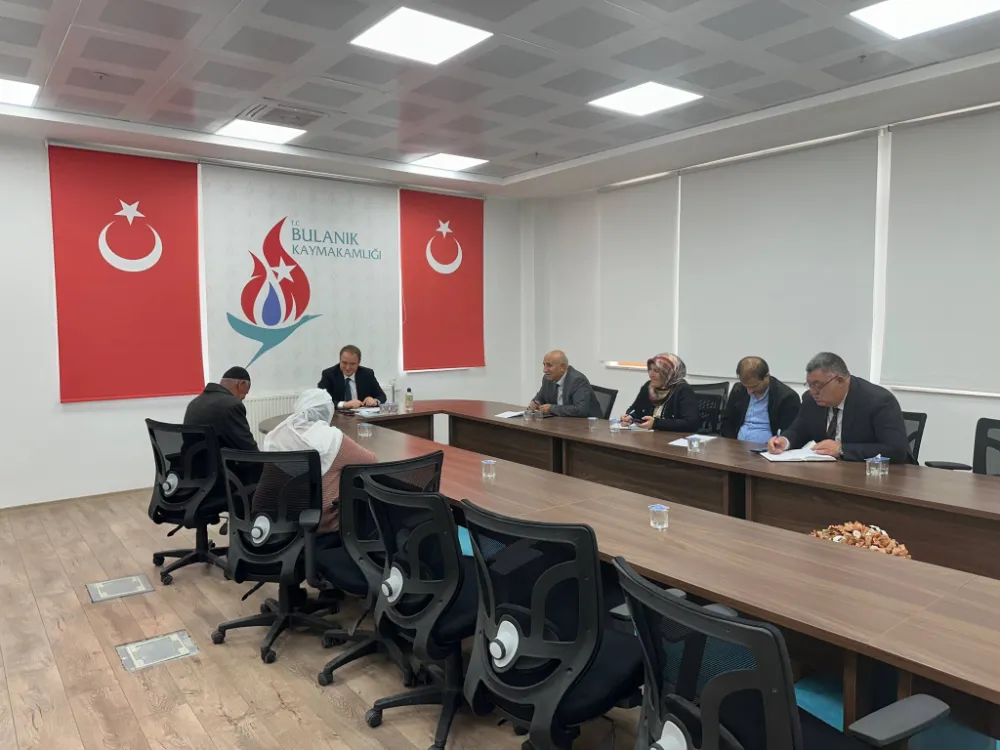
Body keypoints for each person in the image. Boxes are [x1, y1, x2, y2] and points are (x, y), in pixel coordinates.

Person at [262, 389, 376, 539]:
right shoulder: (331, 438)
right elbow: (371, 461)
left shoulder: (276, 433)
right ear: (328, 411)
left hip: (274, 519)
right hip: (320, 522)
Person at [767, 352, 909, 463]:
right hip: (831, 474)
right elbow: (798, 430)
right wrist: (784, 441)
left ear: (840, 381)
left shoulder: (878, 401)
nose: (813, 392)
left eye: (818, 386)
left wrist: (841, 449)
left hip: (878, 476)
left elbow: (896, 449)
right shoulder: (811, 400)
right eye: (810, 385)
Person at [720, 356, 800, 442]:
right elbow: (727, 421)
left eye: (754, 386)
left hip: (767, 448)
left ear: (767, 376)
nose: (749, 391)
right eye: (746, 386)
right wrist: (730, 443)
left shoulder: (787, 397)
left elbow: (789, 433)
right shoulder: (739, 389)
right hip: (737, 445)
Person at [184, 366, 257, 452]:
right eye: (245, 394)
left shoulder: (194, 403)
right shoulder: (231, 404)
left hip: (193, 459)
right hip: (220, 460)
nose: (242, 399)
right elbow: (247, 446)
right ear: (242, 384)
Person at [621, 353, 699, 432]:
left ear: (669, 372)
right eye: (650, 369)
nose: (651, 374)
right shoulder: (649, 386)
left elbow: (690, 423)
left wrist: (656, 423)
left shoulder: (683, 390)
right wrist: (630, 416)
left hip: (673, 437)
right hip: (651, 436)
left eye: (656, 371)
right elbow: (636, 409)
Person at [528, 350, 602, 418]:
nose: (544, 370)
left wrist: (551, 408)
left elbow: (580, 410)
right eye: (544, 365)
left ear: (562, 367)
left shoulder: (577, 380)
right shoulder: (547, 379)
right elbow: (540, 397)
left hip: (587, 424)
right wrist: (535, 403)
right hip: (560, 421)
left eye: (549, 365)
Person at [318, 345, 387, 409]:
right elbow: (321, 400)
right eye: (344, 363)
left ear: (358, 363)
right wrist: (344, 404)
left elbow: (382, 396)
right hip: (337, 416)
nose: (348, 367)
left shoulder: (367, 374)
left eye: (352, 364)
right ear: (340, 361)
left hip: (361, 415)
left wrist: (374, 401)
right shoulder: (329, 375)